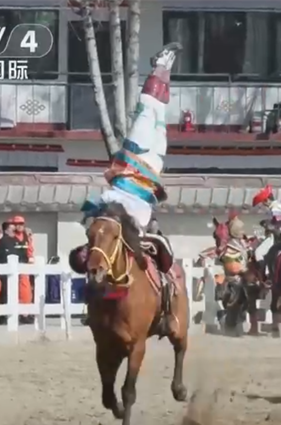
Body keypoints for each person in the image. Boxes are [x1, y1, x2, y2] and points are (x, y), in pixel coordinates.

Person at [77, 44, 181, 289]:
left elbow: (91, 215)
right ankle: (166, 68)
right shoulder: (135, 222)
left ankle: (157, 66)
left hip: (131, 163)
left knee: (146, 110)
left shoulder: (105, 205)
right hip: (150, 175)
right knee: (159, 113)